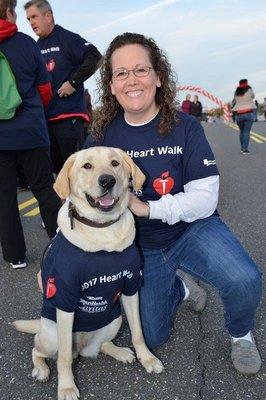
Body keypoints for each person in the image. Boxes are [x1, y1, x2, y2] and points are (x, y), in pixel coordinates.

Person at [84, 32, 262, 376]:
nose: (131, 80)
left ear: (158, 76)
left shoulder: (185, 126)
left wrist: (149, 208)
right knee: (153, 335)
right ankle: (180, 288)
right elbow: (81, 190)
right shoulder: (102, 136)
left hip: (191, 229)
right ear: (111, 85)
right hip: (142, 246)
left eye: (140, 70)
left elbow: (206, 197)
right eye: (120, 73)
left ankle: (241, 334)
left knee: (244, 279)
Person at [0, 0, 61, 269]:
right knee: (44, 189)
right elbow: (45, 90)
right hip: (31, 131)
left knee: (4, 196)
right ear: (9, 13)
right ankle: (62, 243)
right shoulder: (27, 44)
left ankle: (16, 256)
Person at [24, 0, 102, 174]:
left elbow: (95, 57)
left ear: (48, 15)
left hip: (69, 116)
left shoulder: (67, 38)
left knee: (78, 170)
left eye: (34, 16)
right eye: (28, 19)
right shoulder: (36, 47)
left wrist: (73, 82)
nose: (31, 22)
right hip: (46, 121)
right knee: (59, 174)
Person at [232, 79, 255, 154]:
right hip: (248, 113)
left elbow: (234, 100)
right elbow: (253, 96)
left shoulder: (237, 92)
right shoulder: (249, 90)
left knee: (241, 131)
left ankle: (242, 148)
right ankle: (245, 149)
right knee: (246, 132)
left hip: (239, 114)